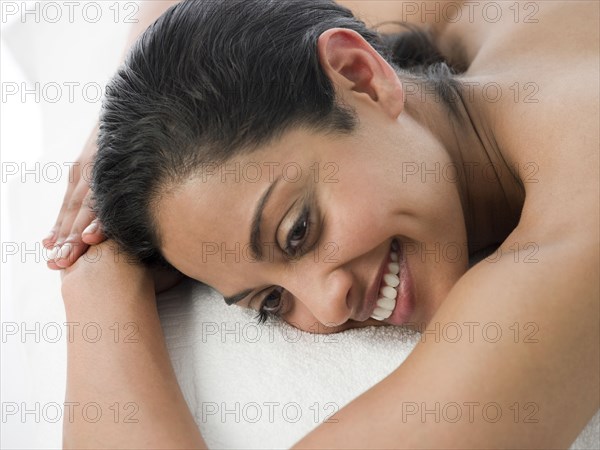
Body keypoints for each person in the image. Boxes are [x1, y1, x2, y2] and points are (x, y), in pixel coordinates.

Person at [43, 0, 599, 447]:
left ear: (361, 76)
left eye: (298, 231)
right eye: (270, 302)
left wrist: (98, 295)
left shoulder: (580, 219)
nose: (330, 306)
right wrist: (100, 254)